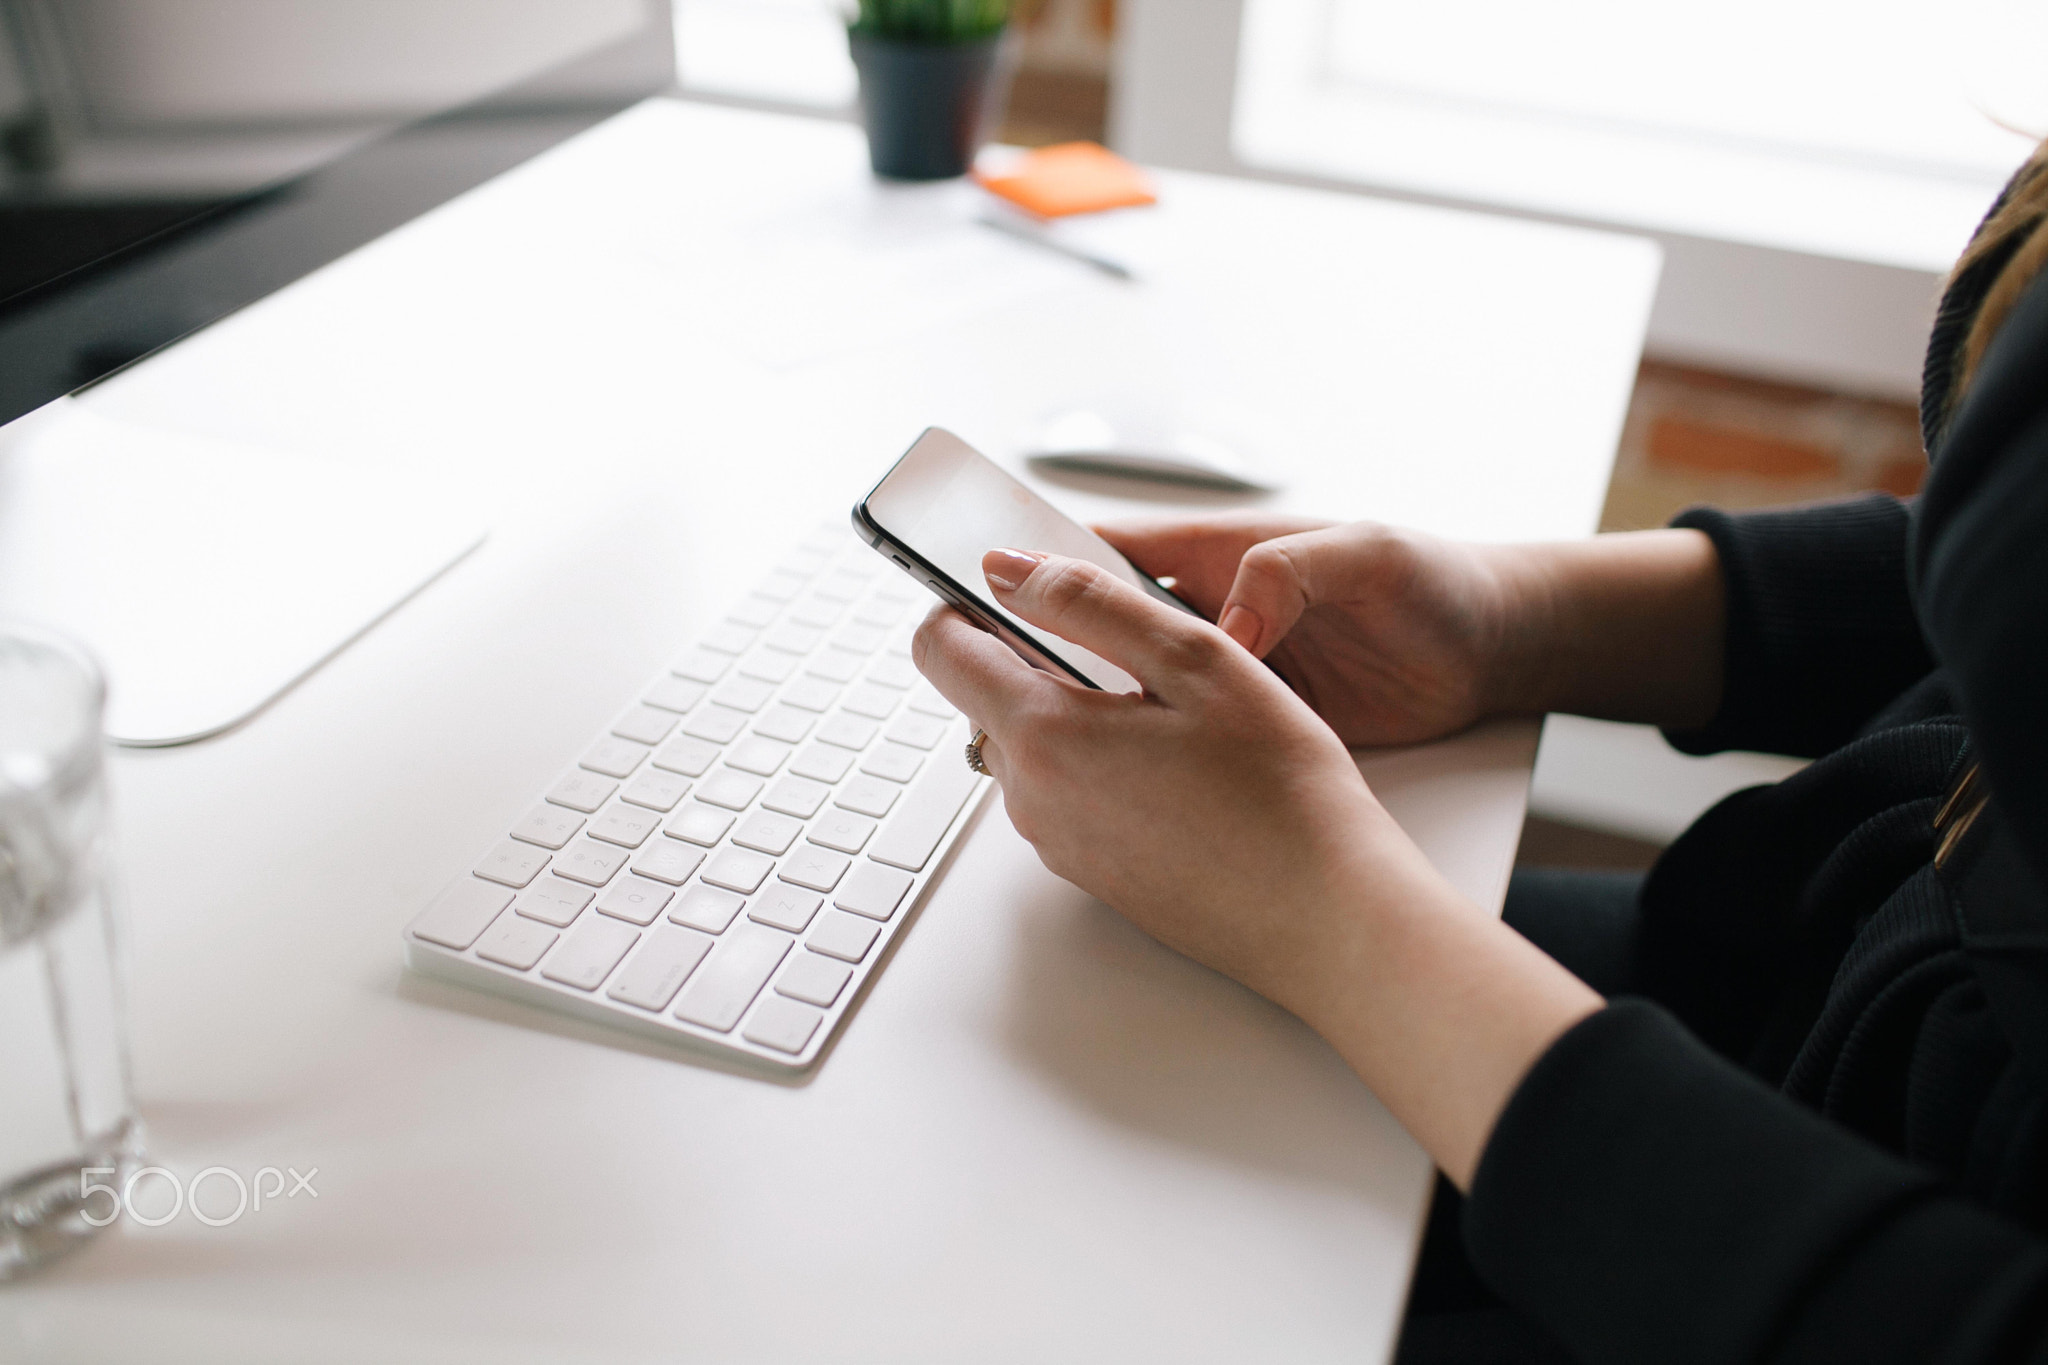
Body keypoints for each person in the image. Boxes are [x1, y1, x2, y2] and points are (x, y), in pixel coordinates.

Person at [911, 143, 2048, 1363]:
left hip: (1773, 1243)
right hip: (1780, 958)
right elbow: (1966, 572)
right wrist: (1509, 619)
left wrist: (1320, 910)